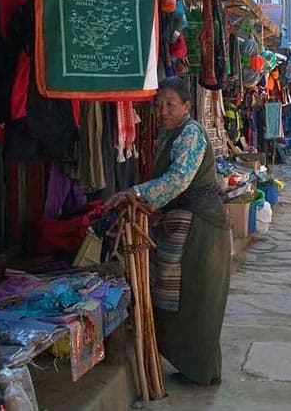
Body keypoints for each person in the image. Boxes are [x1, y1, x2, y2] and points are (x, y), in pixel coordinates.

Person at [105, 77, 230, 385]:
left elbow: (178, 180)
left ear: (187, 106)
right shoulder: (171, 134)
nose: (162, 111)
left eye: (170, 105)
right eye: (158, 105)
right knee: (178, 296)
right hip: (182, 225)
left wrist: (132, 193)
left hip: (200, 228)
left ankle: (199, 369)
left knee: (195, 296)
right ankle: (192, 367)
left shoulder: (189, 134)